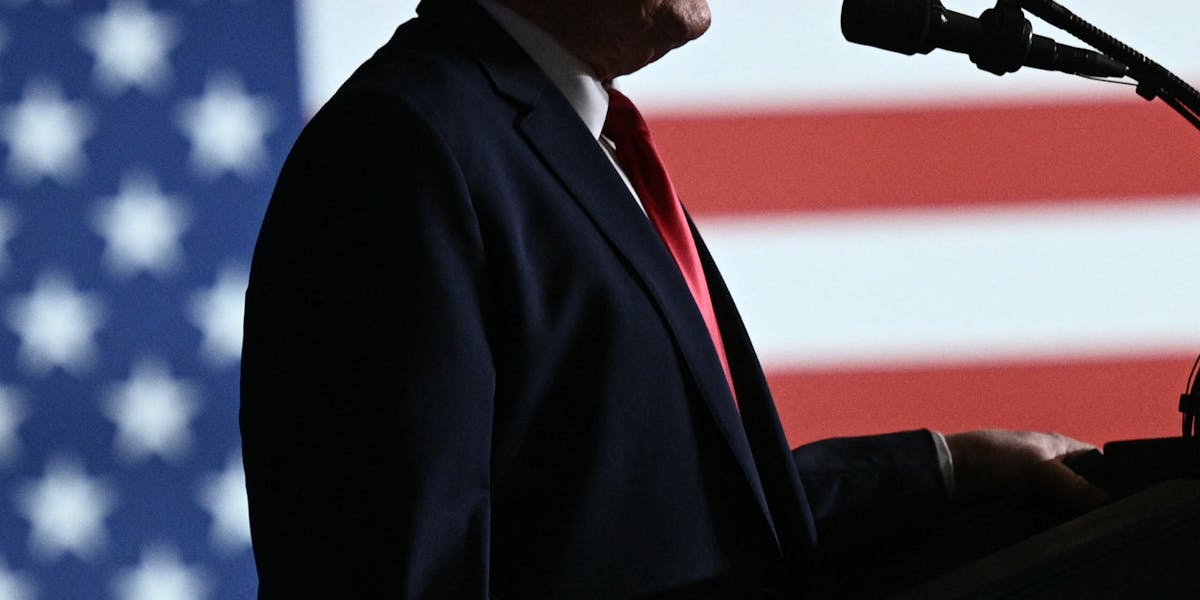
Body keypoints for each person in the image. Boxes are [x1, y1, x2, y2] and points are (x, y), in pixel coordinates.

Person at [239, 0, 1106, 597]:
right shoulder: (402, 147)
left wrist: (949, 468)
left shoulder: (580, 134)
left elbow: (657, 523)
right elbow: (399, 572)